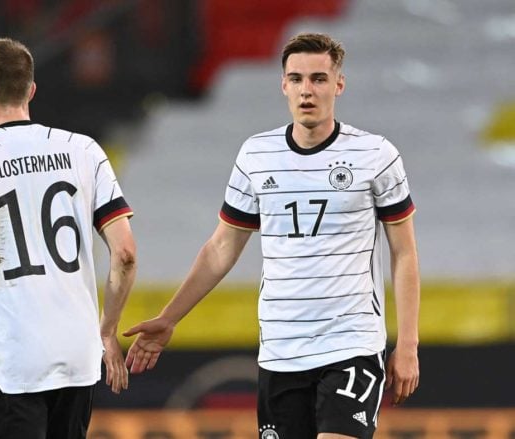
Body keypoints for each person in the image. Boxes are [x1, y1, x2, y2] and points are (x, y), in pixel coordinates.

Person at [124, 33, 419, 439]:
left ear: (339, 84)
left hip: (350, 344)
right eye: (296, 79)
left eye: (318, 78)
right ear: (283, 85)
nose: (307, 90)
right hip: (281, 350)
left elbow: (404, 253)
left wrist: (408, 344)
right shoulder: (256, 156)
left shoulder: (376, 155)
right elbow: (222, 247)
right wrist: (169, 317)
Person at [0, 38, 136, 439]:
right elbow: (125, 253)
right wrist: (107, 329)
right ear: (31, 90)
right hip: (78, 357)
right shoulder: (84, 150)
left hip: (12, 362)